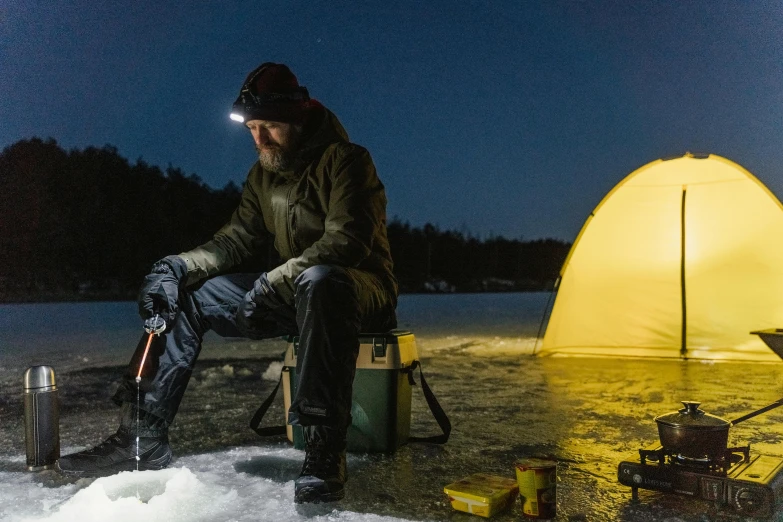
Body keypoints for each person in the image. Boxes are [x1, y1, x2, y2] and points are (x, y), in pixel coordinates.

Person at [55, 62, 399, 504]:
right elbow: (236, 240)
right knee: (191, 296)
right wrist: (176, 266)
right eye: (252, 128)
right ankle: (143, 436)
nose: (259, 140)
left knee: (320, 280)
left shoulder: (347, 161)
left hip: (358, 290)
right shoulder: (262, 176)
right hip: (294, 289)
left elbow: (346, 242)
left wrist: (274, 283)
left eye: (269, 127)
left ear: (297, 118)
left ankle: (324, 447)